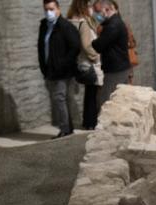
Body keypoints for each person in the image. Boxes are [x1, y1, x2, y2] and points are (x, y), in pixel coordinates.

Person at [38, 0, 81, 138]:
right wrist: (43, 67)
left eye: (51, 9)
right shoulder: (44, 25)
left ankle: (65, 129)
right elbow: (41, 46)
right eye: (46, 9)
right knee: (61, 99)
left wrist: (63, 64)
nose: (48, 12)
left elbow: (75, 47)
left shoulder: (65, 26)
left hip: (62, 70)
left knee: (60, 98)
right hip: (50, 69)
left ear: (58, 9)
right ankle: (68, 128)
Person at [66, 0, 102, 131]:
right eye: (89, 5)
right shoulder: (84, 23)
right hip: (90, 63)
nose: (91, 8)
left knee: (89, 93)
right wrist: (96, 56)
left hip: (79, 62)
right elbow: (87, 45)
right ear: (84, 6)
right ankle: (91, 122)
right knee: (93, 94)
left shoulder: (70, 21)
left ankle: (88, 122)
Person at [91, 0, 130, 108]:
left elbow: (98, 45)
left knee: (106, 101)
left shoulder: (113, 25)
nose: (95, 14)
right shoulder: (113, 23)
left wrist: (93, 41)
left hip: (115, 69)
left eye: (98, 11)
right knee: (119, 100)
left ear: (107, 9)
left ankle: (107, 125)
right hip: (119, 67)